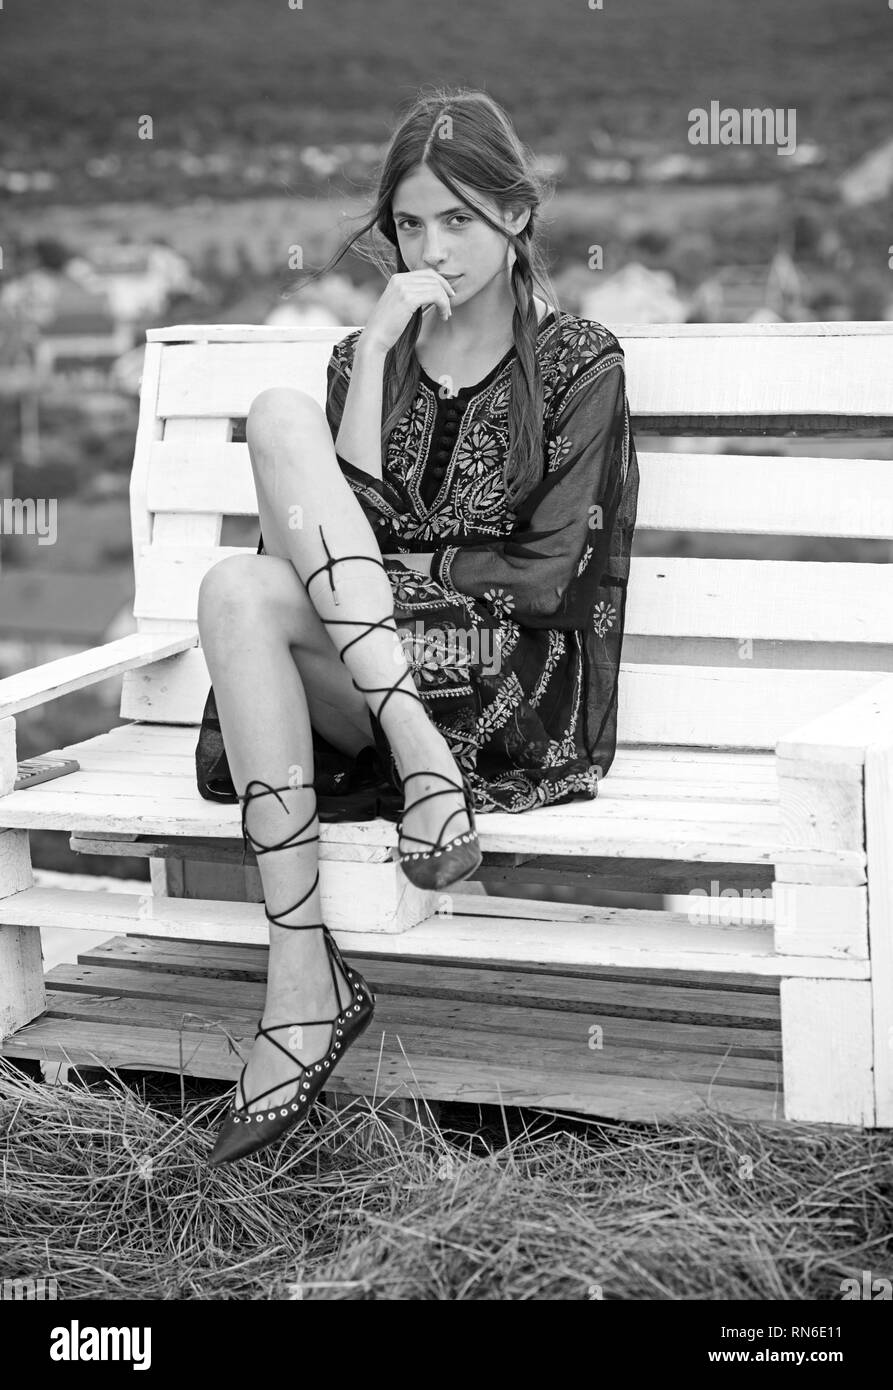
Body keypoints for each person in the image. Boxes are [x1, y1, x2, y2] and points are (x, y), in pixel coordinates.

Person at [195, 86, 639, 1167]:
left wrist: (408, 568)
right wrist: (379, 343)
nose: (431, 245)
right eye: (408, 223)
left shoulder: (579, 362)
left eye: (458, 219)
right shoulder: (364, 358)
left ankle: (416, 784)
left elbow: (547, 575)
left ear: (516, 216)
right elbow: (330, 531)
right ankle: (302, 969)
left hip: (509, 688)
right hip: (397, 700)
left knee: (253, 587)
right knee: (237, 565)